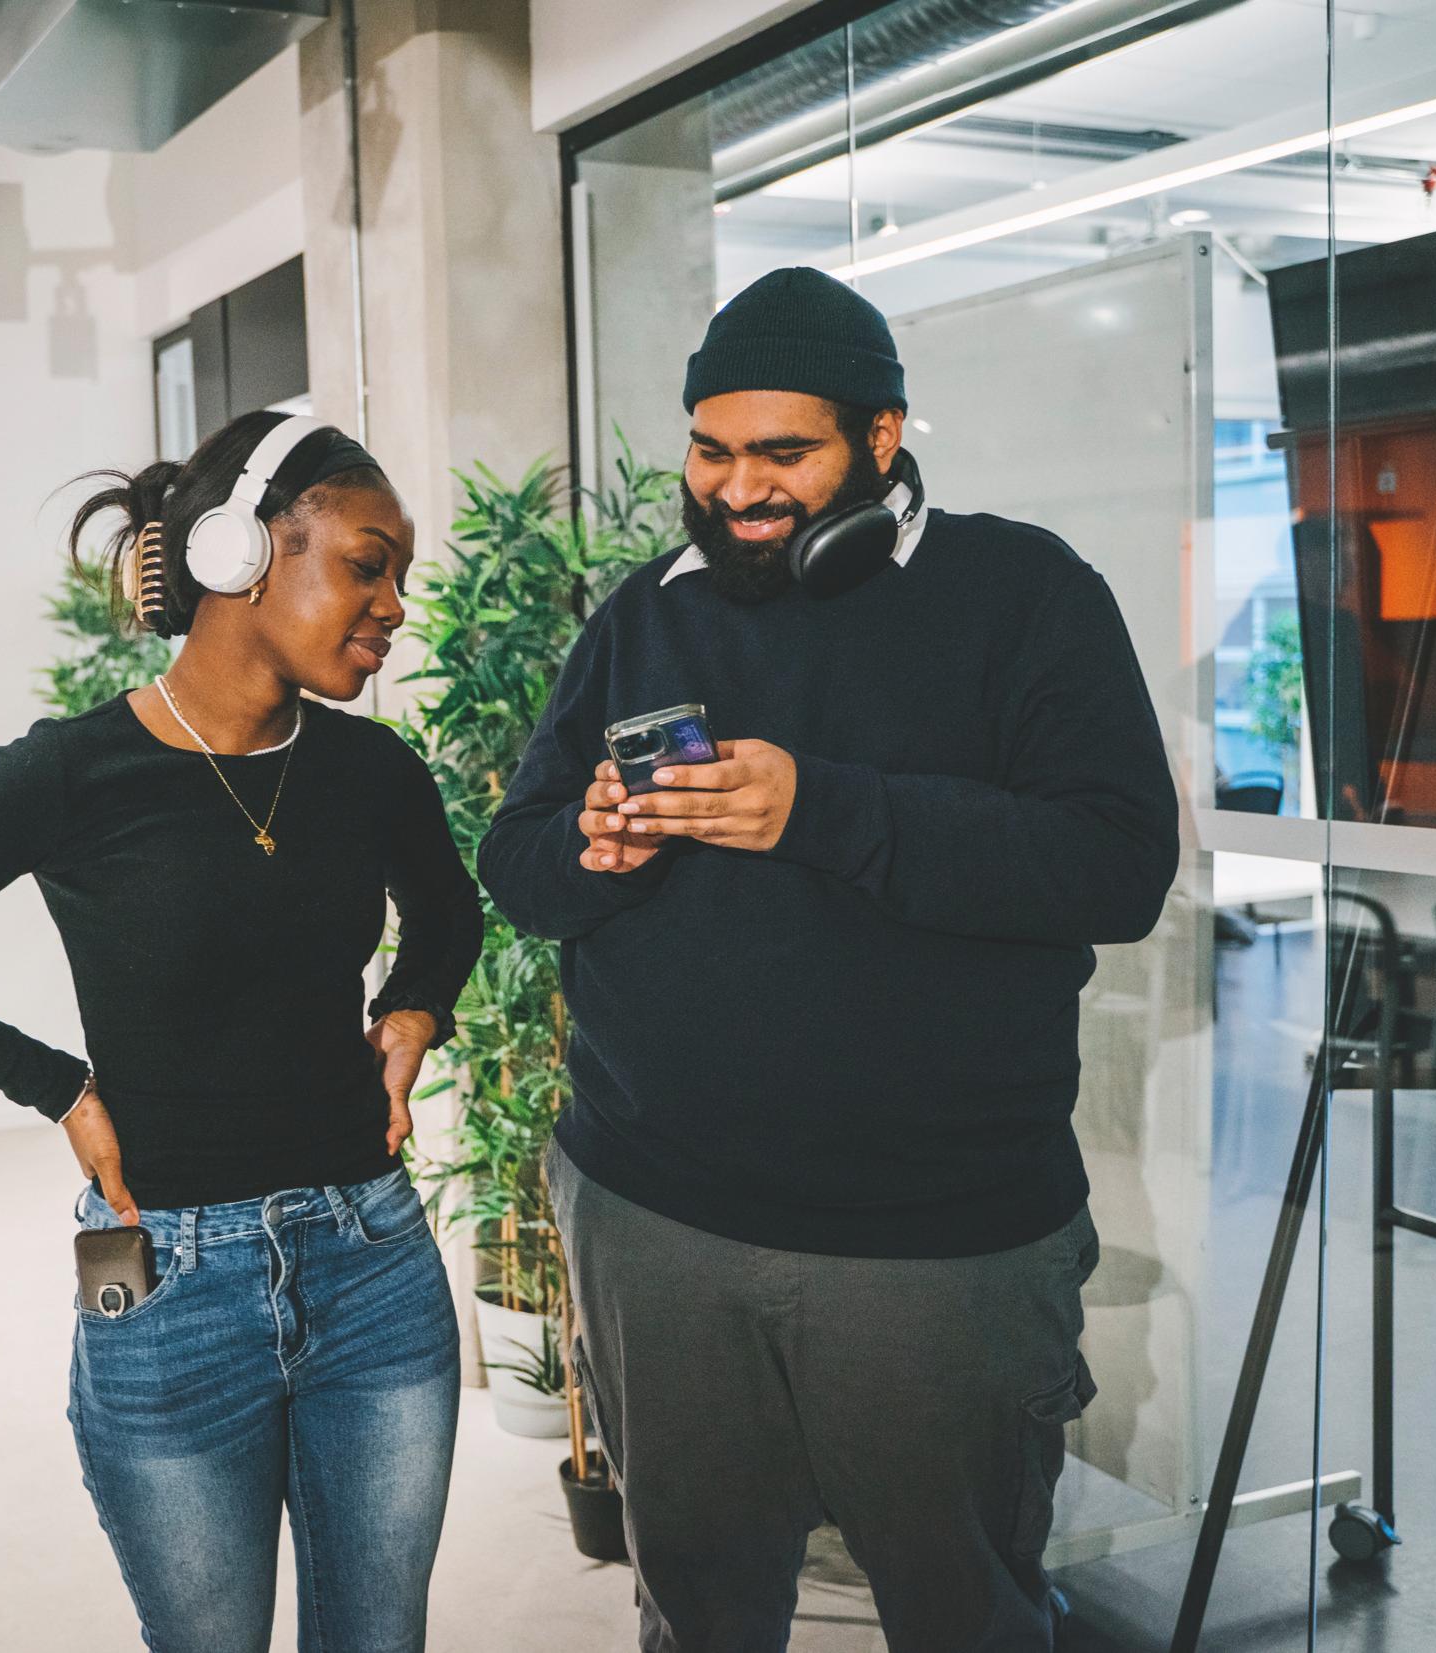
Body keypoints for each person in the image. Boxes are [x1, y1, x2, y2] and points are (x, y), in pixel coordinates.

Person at [478, 267, 1180, 1653]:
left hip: (936, 1252)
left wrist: (826, 810)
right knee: (698, 1610)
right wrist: (592, 848)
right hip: (653, 1223)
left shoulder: (1024, 591)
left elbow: (1115, 864)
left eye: (783, 453)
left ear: (880, 437)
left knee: (965, 1614)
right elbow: (519, 860)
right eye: (711, 448)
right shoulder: (643, 611)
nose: (738, 488)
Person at [0, 410, 484, 1652]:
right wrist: (55, 1086)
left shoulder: (371, 769)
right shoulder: (70, 774)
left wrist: (412, 1009)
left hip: (371, 1258)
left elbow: (446, 911)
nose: (393, 604)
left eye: (400, 577)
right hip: (169, 1280)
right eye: (366, 564)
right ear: (240, 555)